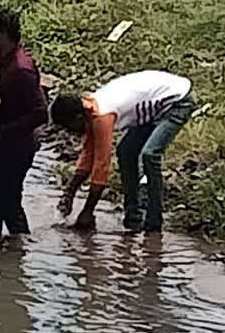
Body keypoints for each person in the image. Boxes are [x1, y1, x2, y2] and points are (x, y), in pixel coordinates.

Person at [52, 70, 196, 232]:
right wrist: (68, 194)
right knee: (125, 151)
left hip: (177, 101)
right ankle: (133, 218)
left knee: (150, 155)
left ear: (78, 118)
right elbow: (88, 157)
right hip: (155, 104)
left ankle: (153, 224)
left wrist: (87, 212)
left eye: (70, 128)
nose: (72, 133)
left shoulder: (102, 116)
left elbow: (102, 166)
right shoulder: (89, 108)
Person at [0, 7, 48, 248]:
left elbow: (40, 113)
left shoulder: (20, 69)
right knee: (9, 203)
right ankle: (19, 254)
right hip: (13, 143)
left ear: (1, 34)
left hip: (15, 147)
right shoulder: (9, 61)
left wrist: (1, 132)